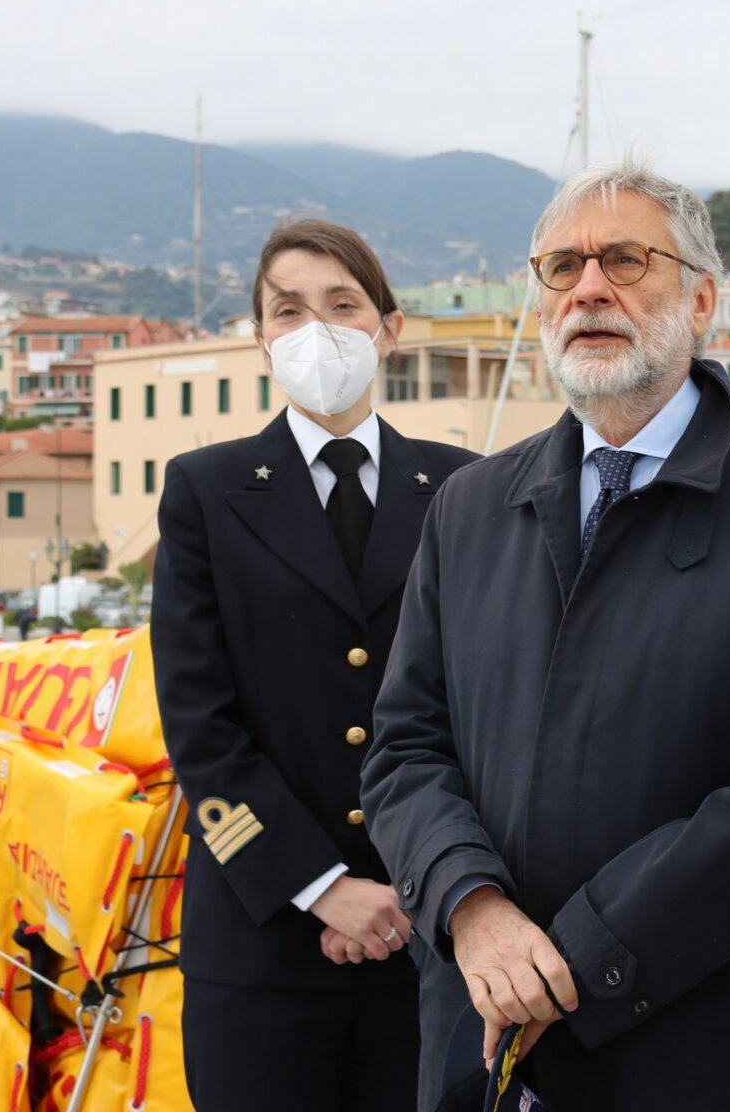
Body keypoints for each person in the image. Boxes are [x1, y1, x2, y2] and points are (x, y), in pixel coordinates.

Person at [361, 160, 730, 1110]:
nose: (589, 286)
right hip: (477, 1046)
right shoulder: (471, 509)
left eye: (627, 260)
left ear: (702, 302)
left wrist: (572, 962)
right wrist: (474, 912)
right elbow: (404, 748)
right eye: (561, 266)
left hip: (687, 1048)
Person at [152, 219, 481, 1112]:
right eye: (288, 310)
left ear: (390, 326)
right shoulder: (204, 492)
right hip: (260, 939)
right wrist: (322, 888)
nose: (317, 329)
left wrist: (417, 885)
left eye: (343, 305)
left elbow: (484, 714)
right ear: (259, 336)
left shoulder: (465, 491)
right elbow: (199, 730)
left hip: (429, 933)